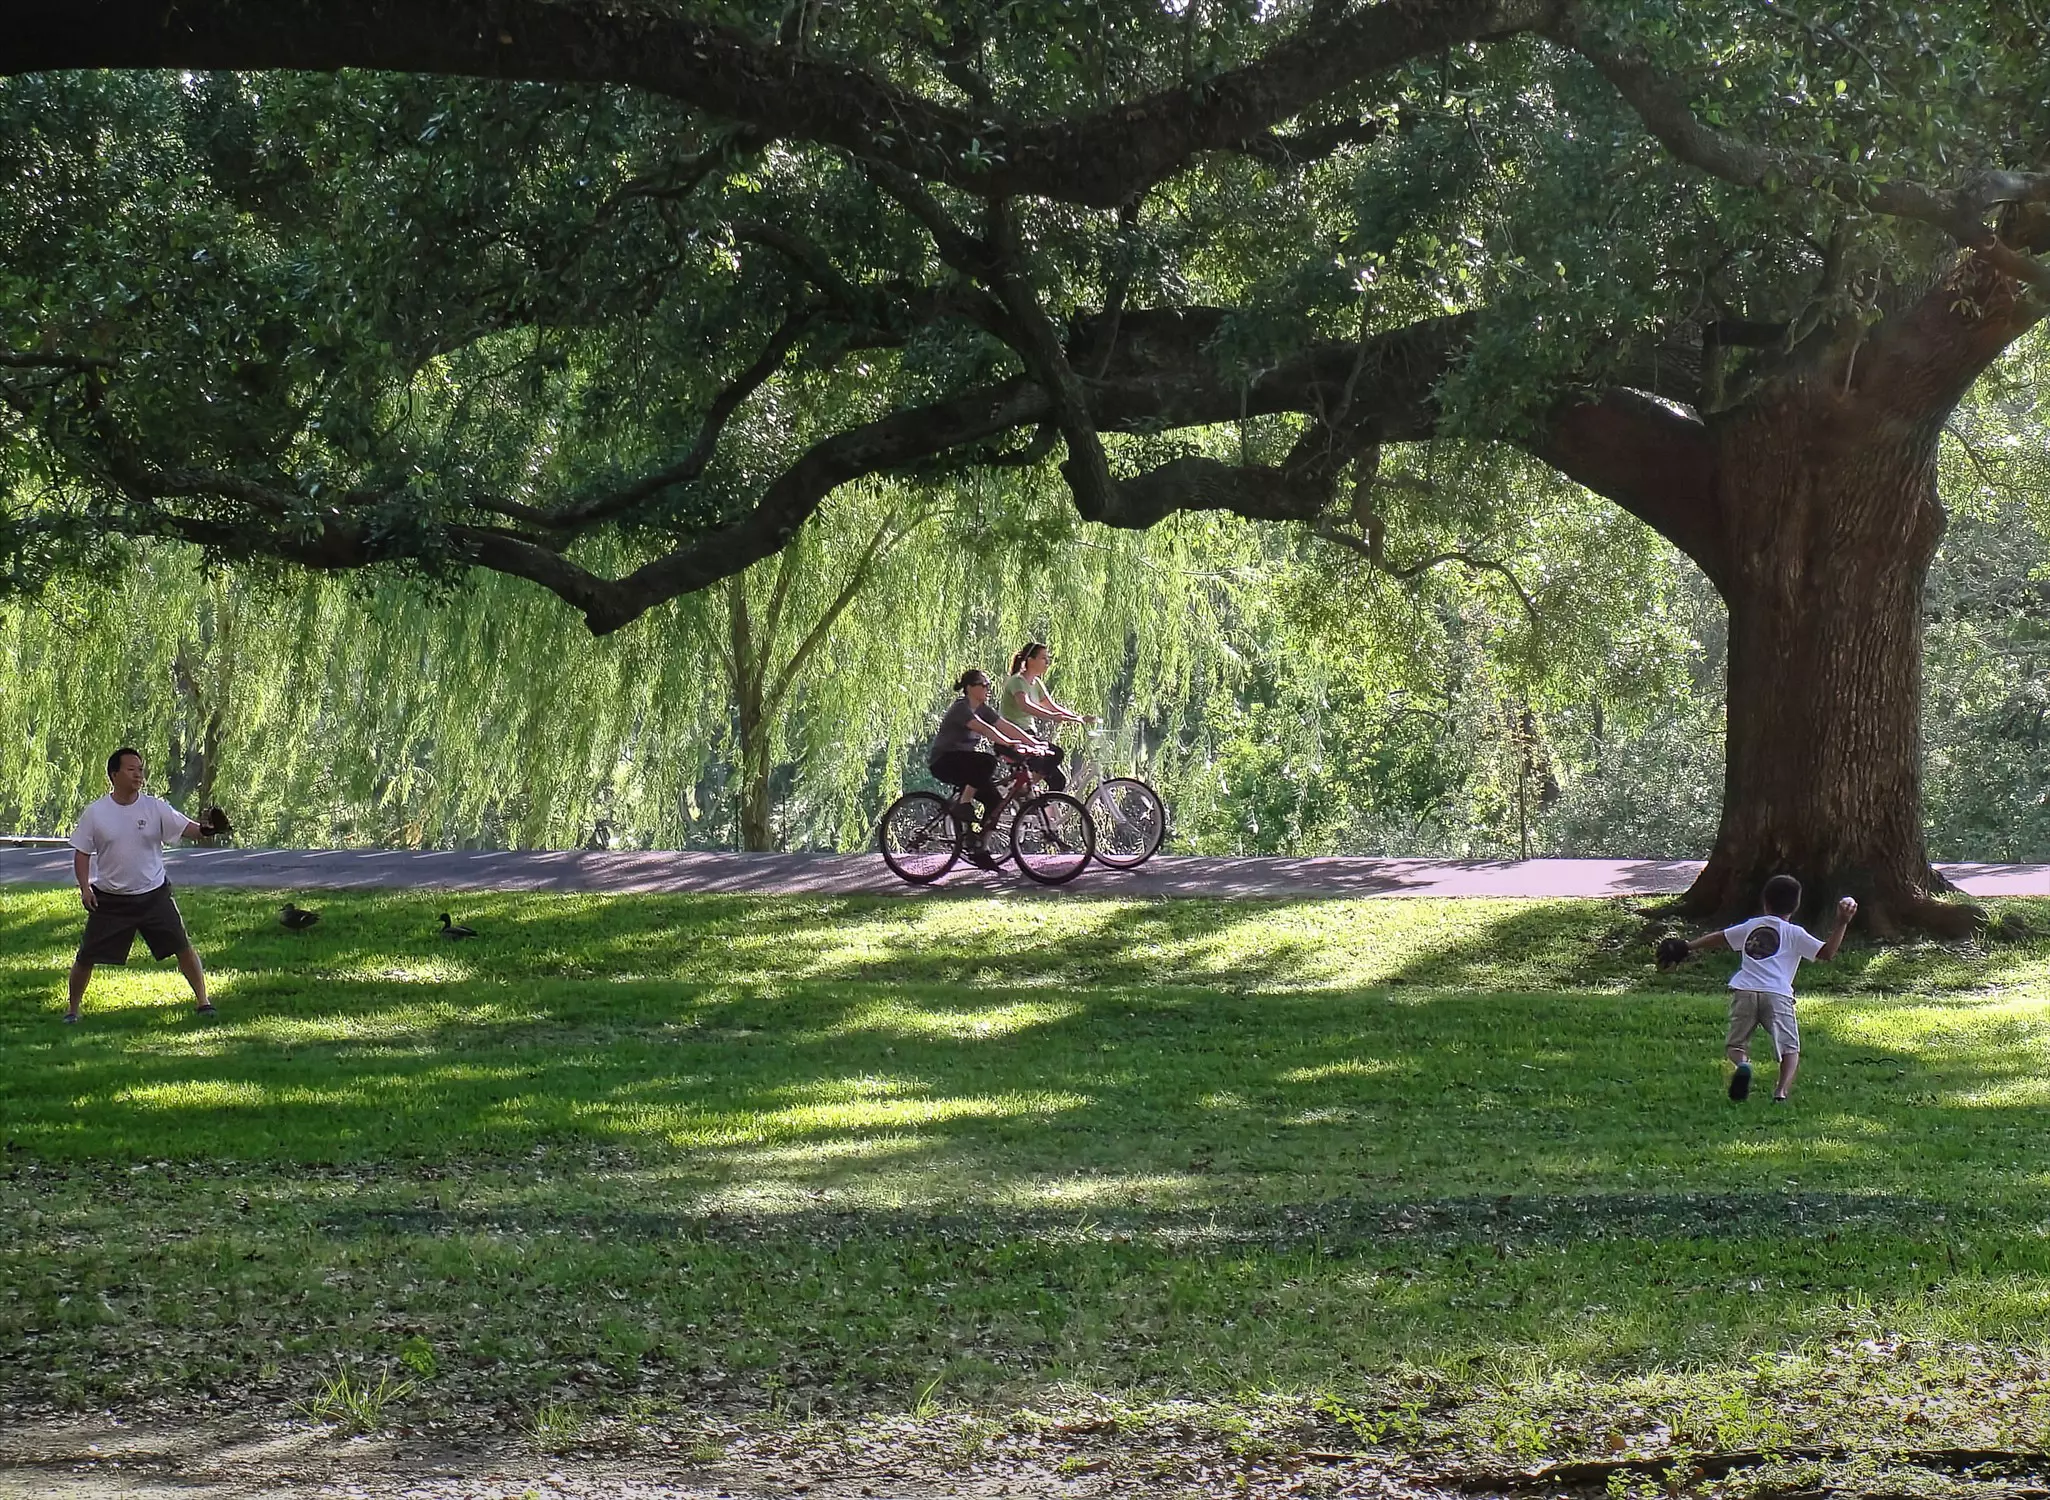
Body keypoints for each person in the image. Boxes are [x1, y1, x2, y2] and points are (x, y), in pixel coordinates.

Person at [66, 748, 222, 1023]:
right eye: (131, 769)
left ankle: (203, 1002)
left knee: (183, 946)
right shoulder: (96, 813)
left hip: (153, 895)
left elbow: (191, 829)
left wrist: (209, 828)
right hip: (111, 899)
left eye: (140, 769)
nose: (139, 774)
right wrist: (85, 888)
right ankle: (72, 1011)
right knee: (86, 956)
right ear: (114, 775)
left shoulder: (155, 807)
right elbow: (81, 853)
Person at [1669, 874, 1856, 1104]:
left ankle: (1743, 1064)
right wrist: (1841, 923)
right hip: (1778, 995)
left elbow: (1721, 938)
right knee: (1790, 1049)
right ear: (1796, 905)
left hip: (1745, 991)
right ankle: (1780, 1093)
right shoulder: (1794, 933)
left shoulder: (1752, 926)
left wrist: (1688, 946)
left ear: (1765, 902)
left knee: (1735, 1045)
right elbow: (1827, 953)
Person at [928, 669, 1047, 867]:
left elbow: (1004, 725)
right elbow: (985, 729)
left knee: (995, 801)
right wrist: (1009, 743)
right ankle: (963, 804)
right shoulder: (962, 708)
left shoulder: (982, 708)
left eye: (988, 685)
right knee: (987, 762)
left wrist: (1033, 743)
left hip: (963, 762)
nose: (987, 688)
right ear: (969, 688)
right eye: (983, 685)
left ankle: (979, 847)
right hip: (944, 761)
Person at [999, 642, 1097, 792]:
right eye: (1044, 658)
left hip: (1029, 735)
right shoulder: (1017, 681)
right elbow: (1025, 705)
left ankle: (1033, 803)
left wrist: (1078, 718)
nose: (1048, 662)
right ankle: (1023, 789)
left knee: (1058, 781)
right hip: (1014, 738)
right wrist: (1051, 716)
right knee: (1056, 753)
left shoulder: (1036, 683)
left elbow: (1053, 707)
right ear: (1031, 660)